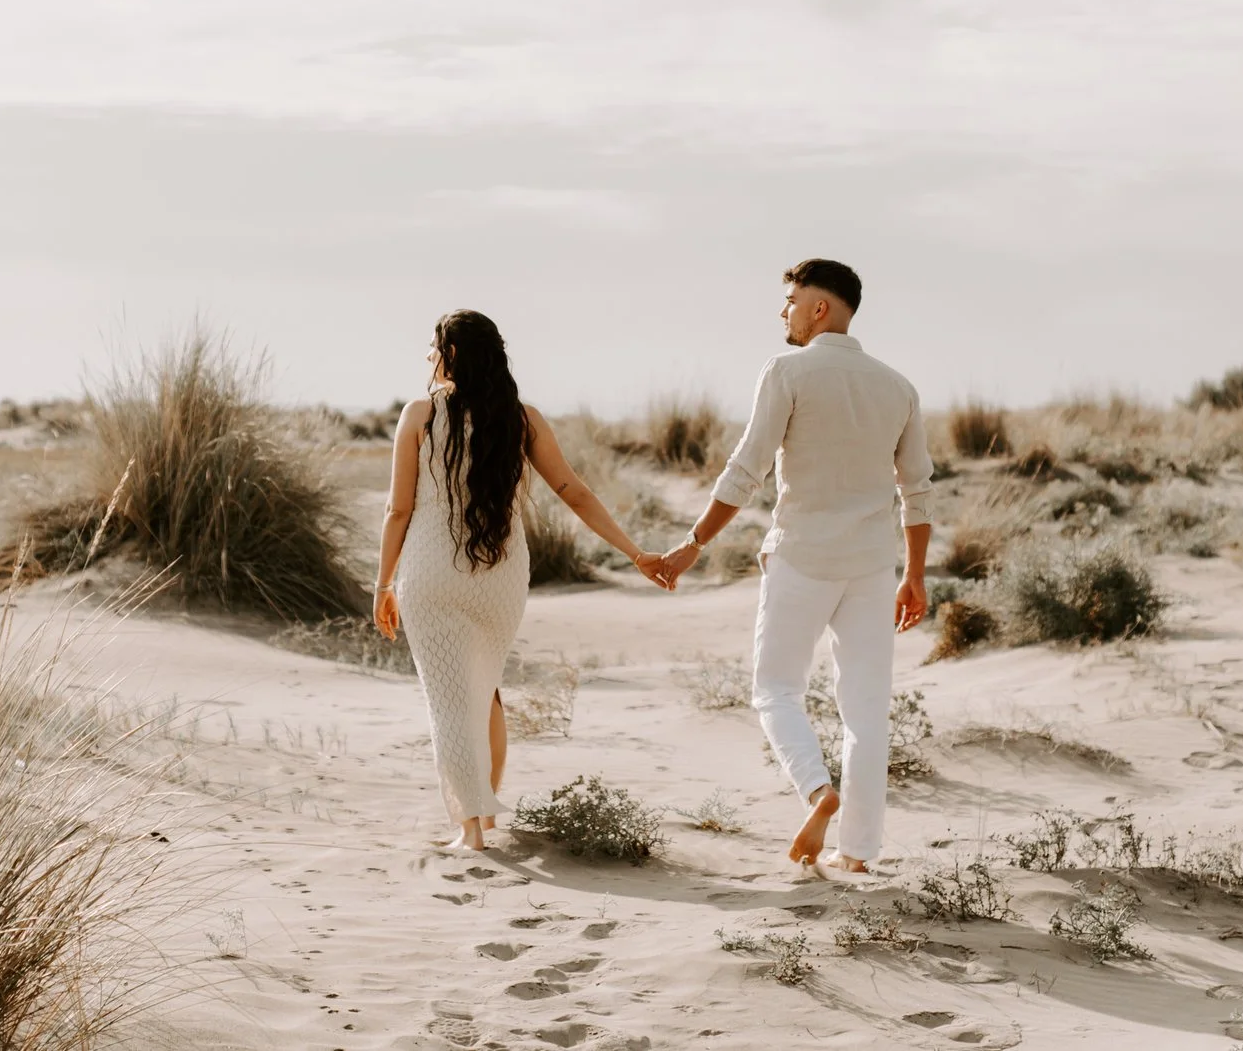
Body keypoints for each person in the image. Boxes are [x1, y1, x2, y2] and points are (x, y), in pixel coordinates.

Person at [658, 259, 936, 876]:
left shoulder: (786, 372)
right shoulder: (898, 386)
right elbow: (917, 493)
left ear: (820, 308)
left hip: (802, 557)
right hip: (870, 568)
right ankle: (858, 851)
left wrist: (693, 542)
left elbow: (745, 469)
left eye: (790, 299)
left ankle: (816, 790)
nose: (782, 311)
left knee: (775, 689)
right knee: (866, 713)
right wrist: (915, 576)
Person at [374, 310, 671, 850]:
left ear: (453, 355)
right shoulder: (523, 419)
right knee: (484, 694)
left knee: (447, 703)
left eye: (434, 347)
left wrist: (382, 585)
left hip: (432, 573)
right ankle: (485, 817)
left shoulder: (419, 415)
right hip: (501, 576)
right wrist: (634, 553)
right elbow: (573, 491)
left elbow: (398, 510)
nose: (428, 357)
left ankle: (470, 832)